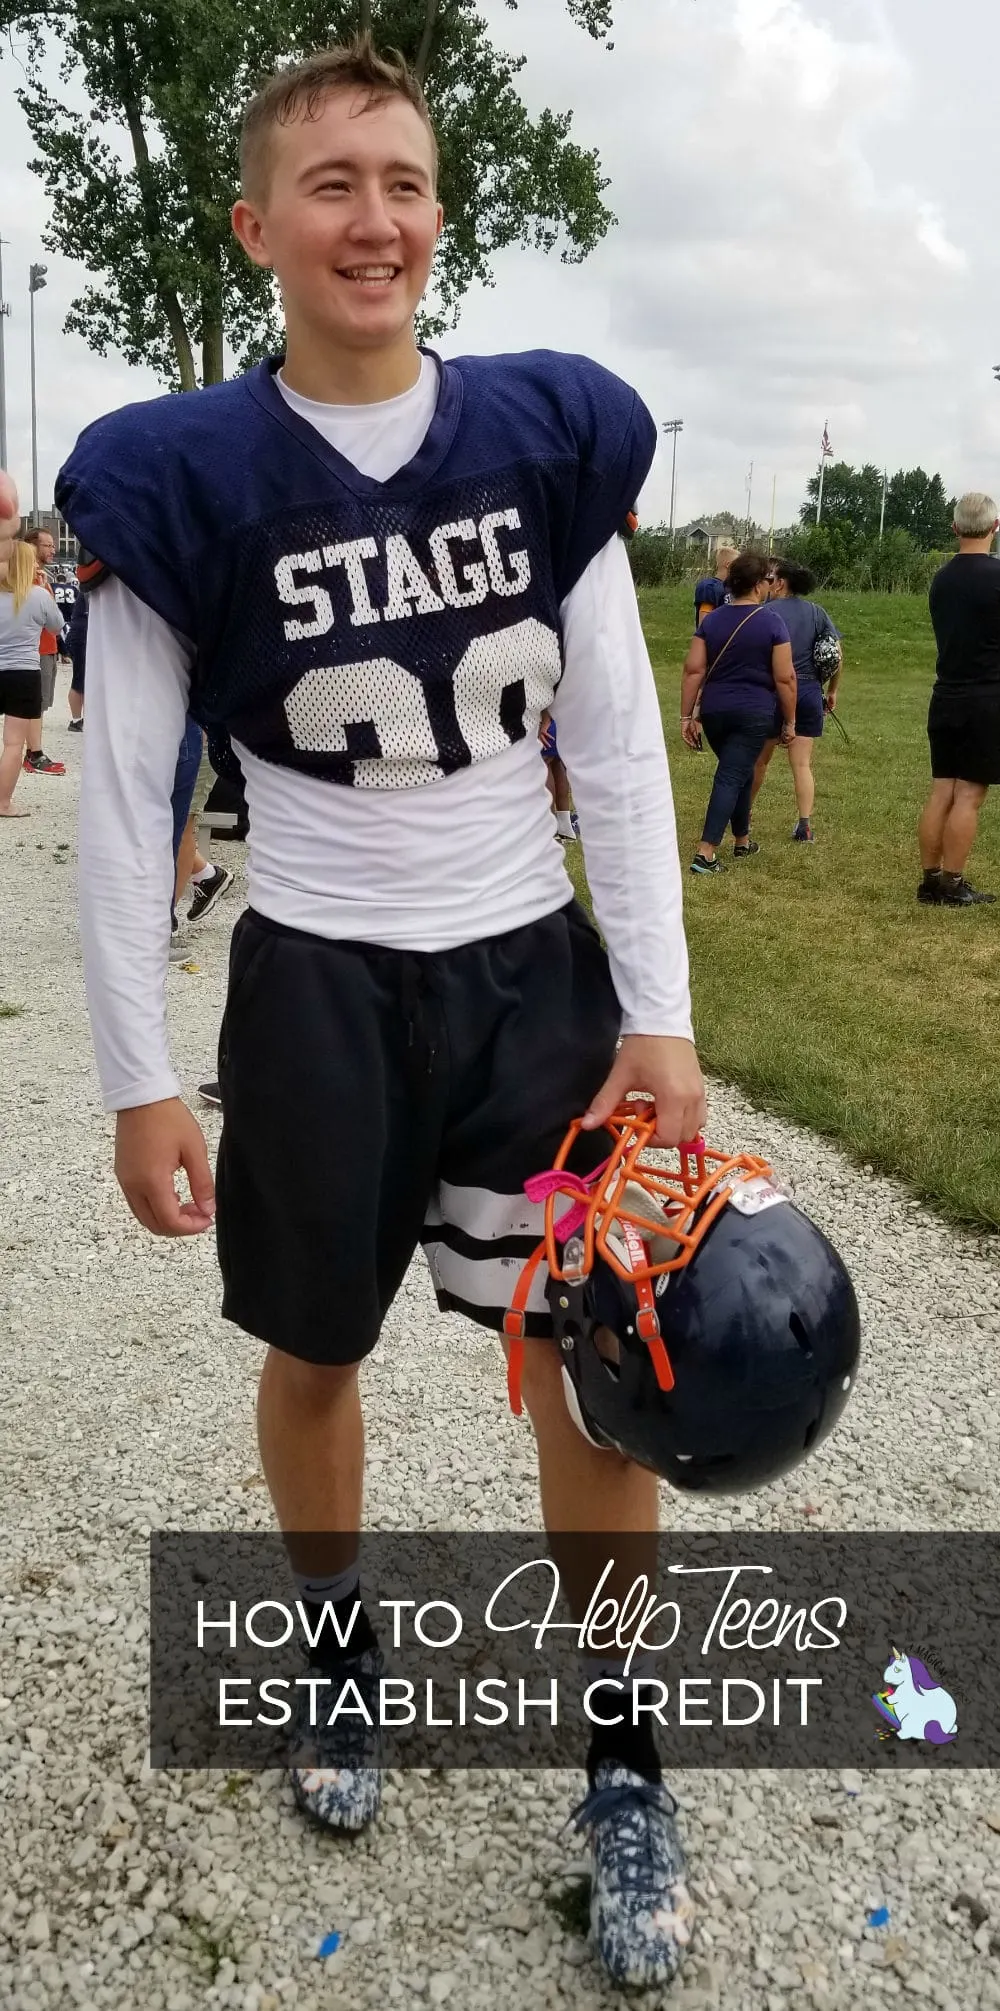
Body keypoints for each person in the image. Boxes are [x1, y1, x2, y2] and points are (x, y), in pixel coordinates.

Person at [57, 37, 705, 1992]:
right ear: (257, 224)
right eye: (330, 183)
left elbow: (609, 750)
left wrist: (656, 1016)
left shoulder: (535, 444)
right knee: (315, 1351)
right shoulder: (185, 479)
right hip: (320, 984)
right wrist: (137, 1076)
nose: (374, 218)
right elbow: (125, 787)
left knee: (593, 1365)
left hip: (526, 978)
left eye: (402, 181)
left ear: (442, 214)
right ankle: (338, 1656)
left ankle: (623, 1754)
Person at [681, 551, 796, 873]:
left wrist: (686, 716)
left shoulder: (713, 619)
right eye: (769, 580)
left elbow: (693, 671)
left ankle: (742, 840)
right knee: (731, 774)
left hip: (715, 711)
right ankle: (706, 853)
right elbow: (785, 677)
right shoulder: (772, 622)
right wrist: (790, 720)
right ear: (759, 585)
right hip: (753, 712)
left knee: (740, 770)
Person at [917, 492, 1000, 907]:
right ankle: (953, 882)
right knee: (969, 794)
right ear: (994, 527)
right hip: (986, 697)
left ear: (954, 528)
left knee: (941, 790)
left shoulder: (941, 578)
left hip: (946, 693)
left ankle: (930, 879)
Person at [750, 558, 841, 841]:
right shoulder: (817, 612)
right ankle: (805, 825)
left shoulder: (764, 612)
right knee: (802, 764)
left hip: (774, 692)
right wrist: (832, 690)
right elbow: (836, 654)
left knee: (760, 761)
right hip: (809, 691)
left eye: (772, 579)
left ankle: (745, 815)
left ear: (781, 583)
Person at [0, 540, 61, 817]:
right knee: (13, 743)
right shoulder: (38, 595)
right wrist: (44, 586)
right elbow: (56, 625)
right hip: (23, 673)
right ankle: (3, 803)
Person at [21, 525, 67, 775]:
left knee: (38, 703)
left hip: (45, 646)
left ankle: (34, 750)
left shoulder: (38, 575)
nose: (53, 549)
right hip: (36, 647)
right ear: (33, 546)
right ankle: (34, 753)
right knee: (34, 703)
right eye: (48, 545)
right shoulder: (29, 577)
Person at [539, 707, 579, 839]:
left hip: (548, 721)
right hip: (563, 721)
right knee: (557, 764)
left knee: (544, 765)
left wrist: (545, 720)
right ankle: (565, 825)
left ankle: (551, 826)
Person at [692, 543, 736, 626]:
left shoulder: (732, 586)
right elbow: (704, 621)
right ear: (728, 565)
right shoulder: (709, 587)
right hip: (714, 635)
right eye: (738, 564)